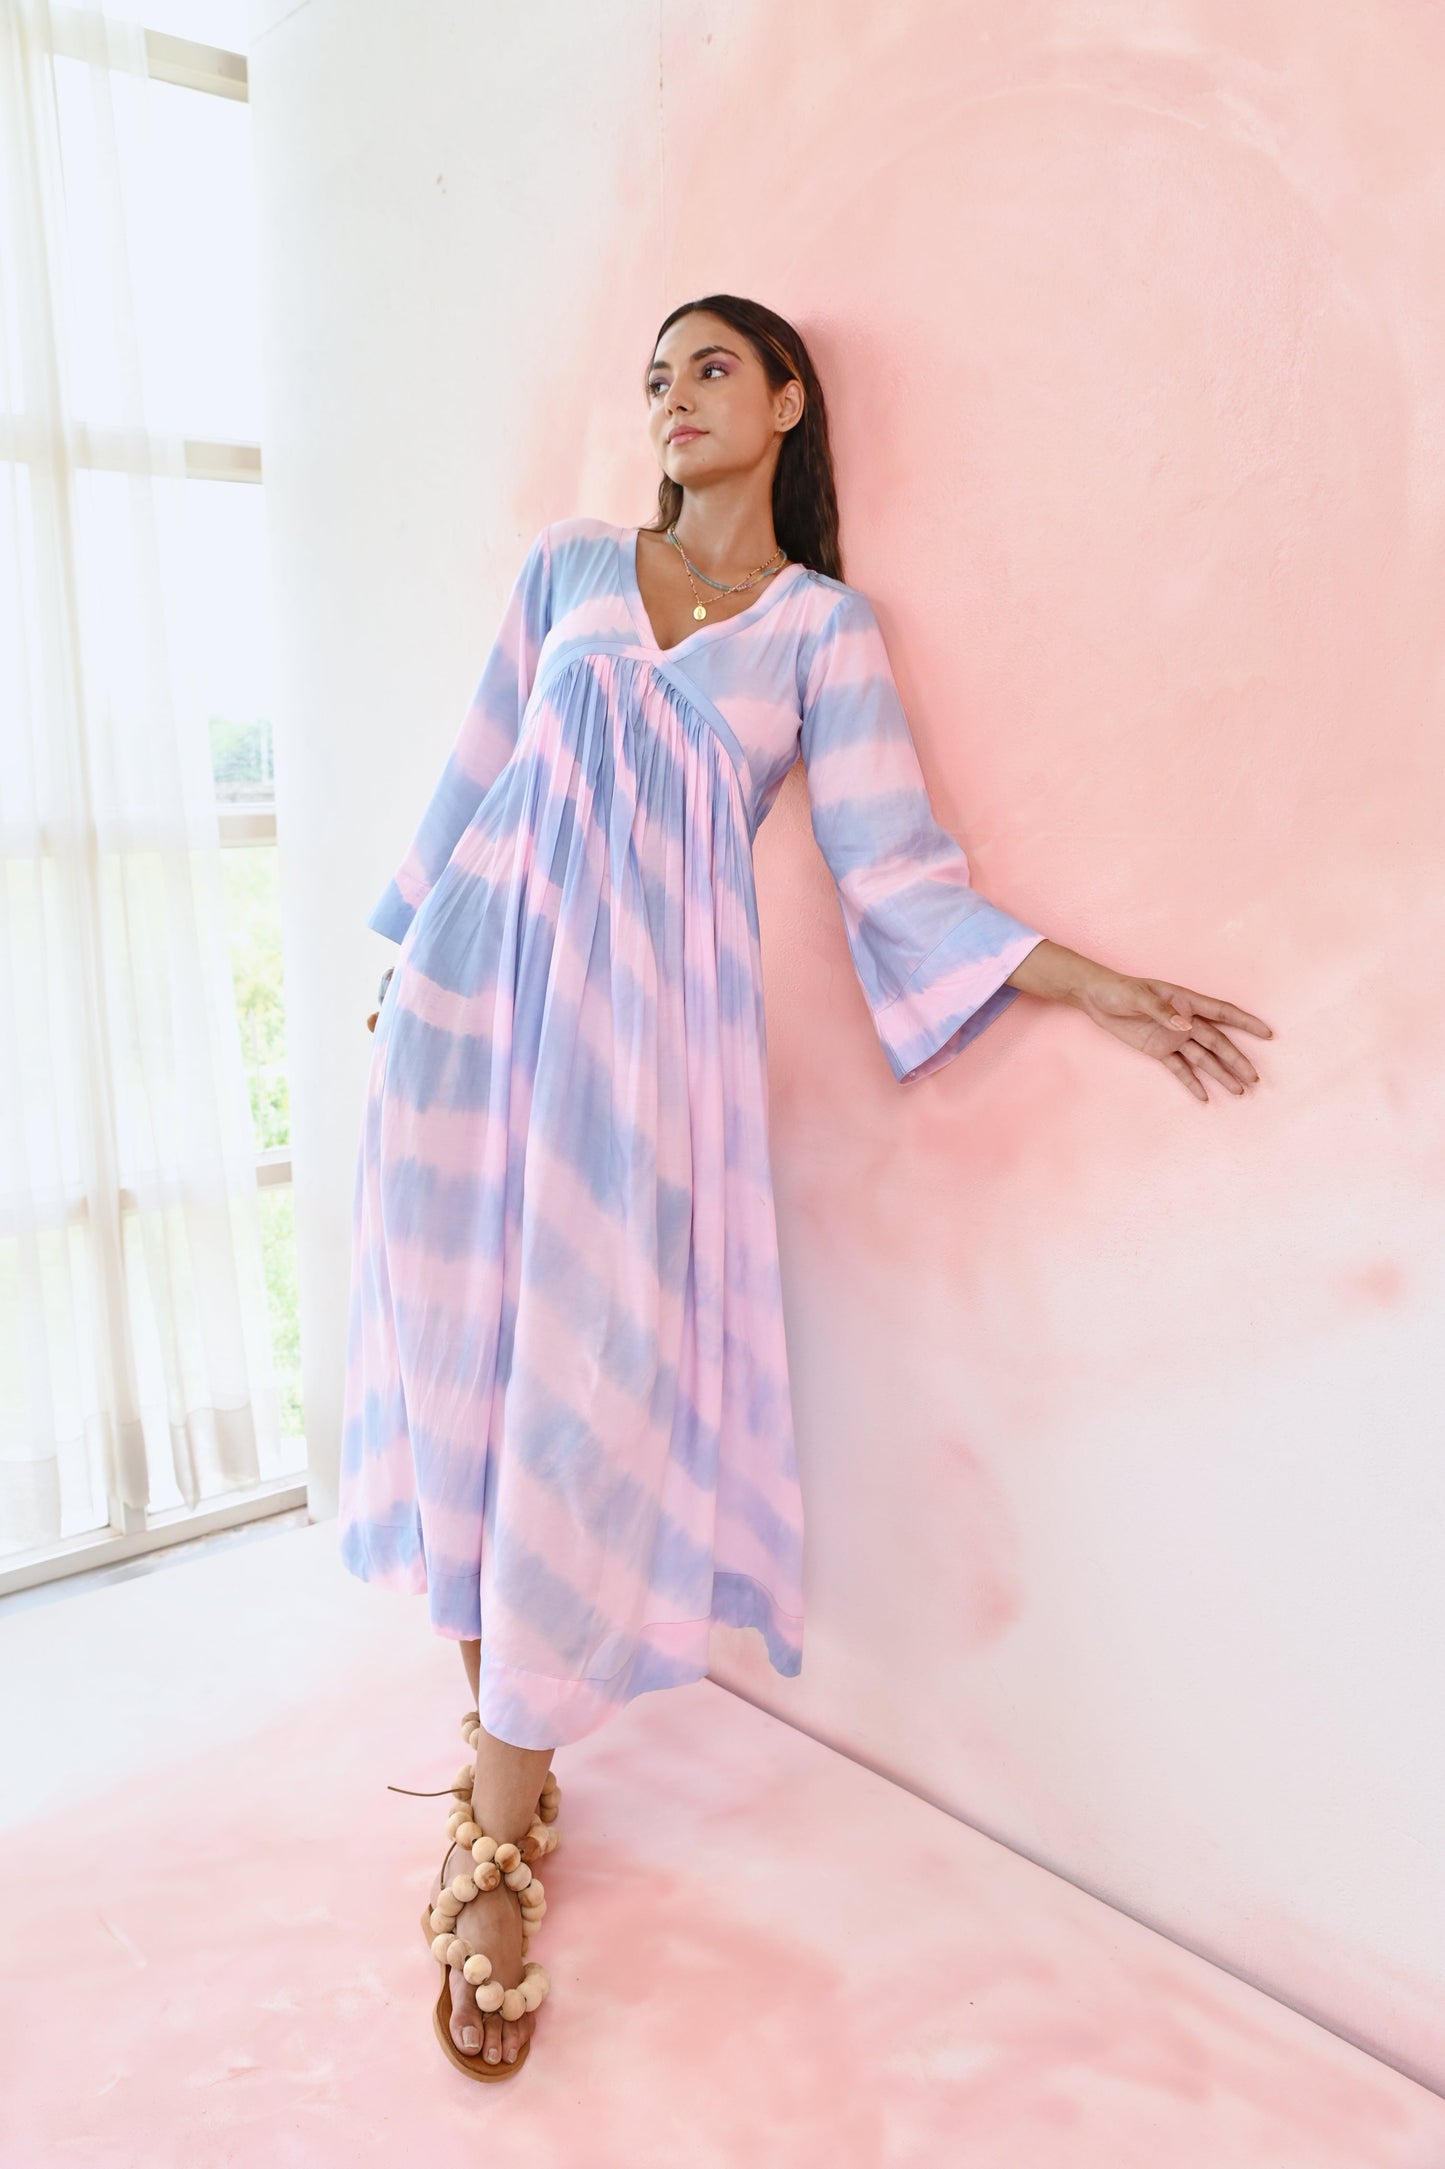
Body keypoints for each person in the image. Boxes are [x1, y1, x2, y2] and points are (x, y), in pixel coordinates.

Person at [339, 293, 1273, 2074]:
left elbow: (896, 873)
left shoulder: (820, 633)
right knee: (466, 1385)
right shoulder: (566, 570)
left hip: (640, 1068)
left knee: (572, 1408)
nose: (671, 398)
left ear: (783, 401)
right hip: (467, 1017)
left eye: (709, 367)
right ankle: (500, 1791)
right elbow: (473, 783)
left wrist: (1087, 981)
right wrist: (399, 985)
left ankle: (495, 1809)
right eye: (655, 378)